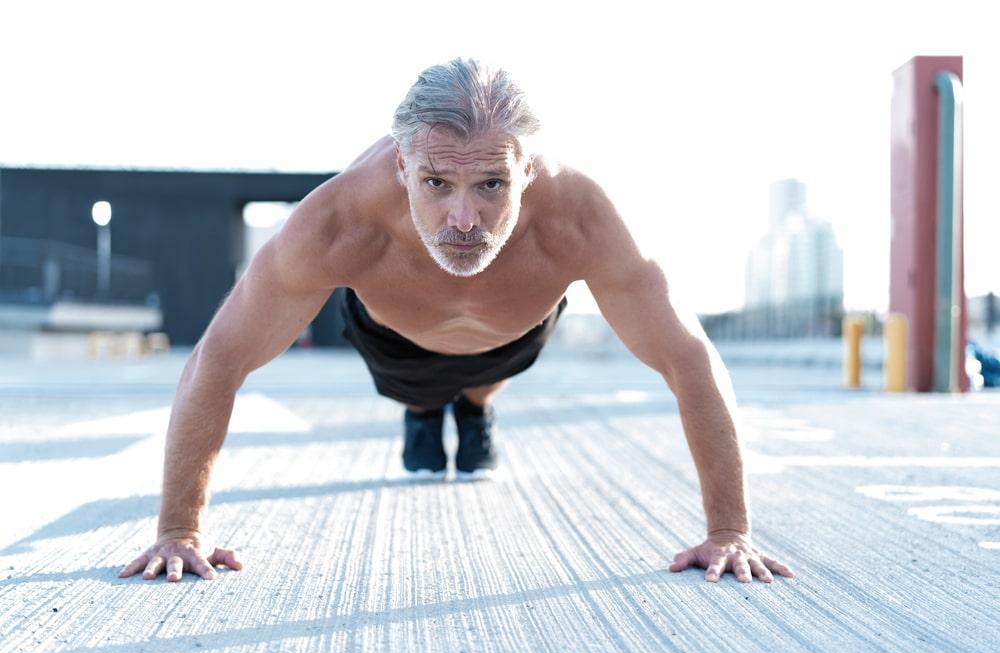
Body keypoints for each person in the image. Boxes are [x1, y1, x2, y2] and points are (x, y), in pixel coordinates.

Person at [119, 58, 795, 586]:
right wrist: (181, 527)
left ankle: (474, 406)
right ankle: (426, 409)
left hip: (514, 336)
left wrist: (730, 530)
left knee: (480, 383)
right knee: (421, 391)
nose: (464, 220)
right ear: (402, 163)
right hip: (396, 342)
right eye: (437, 184)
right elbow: (219, 359)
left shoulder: (581, 220)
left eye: (491, 185)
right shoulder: (337, 224)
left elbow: (689, 358)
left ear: (526, 170)